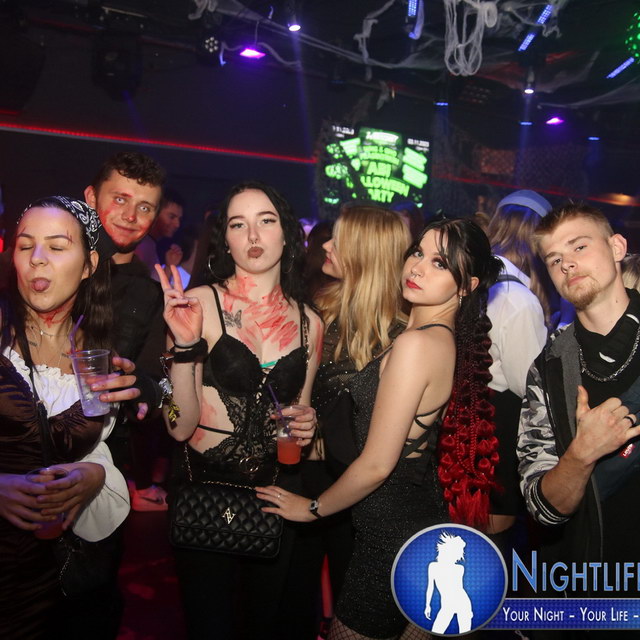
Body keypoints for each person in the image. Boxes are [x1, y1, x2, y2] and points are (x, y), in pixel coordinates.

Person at [258, 218, 501, 640]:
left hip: (393, 539)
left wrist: (311, 508)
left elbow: (376, 465)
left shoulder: (417, 344)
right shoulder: (433, 337)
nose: (418, 267)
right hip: (411, 530)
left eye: (440, 263)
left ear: (467, 286)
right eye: (418, 252)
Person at [156, 181, 323, 640]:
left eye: (266, 221)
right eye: (238, 224)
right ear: (225, 240)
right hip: (205, 489)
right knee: (209, 626)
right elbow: (177, 426)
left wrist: (308, 424)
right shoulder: (197, 304)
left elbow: (300, 421)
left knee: (265, 626)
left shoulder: (310, 323)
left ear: (286, 234)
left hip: (275, 496)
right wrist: (185, 346)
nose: (253, 235)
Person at [0, 197, 142, 639]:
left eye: (57, 246)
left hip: (69, 581)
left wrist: (96, 474)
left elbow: (94, 446)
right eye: (26, 246)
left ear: (88, 265)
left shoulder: (97, 354)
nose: (37, 259)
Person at [292, 205, 410, 636]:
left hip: (365, 493)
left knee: (353, 606)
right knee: (292, 597)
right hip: (305, 474)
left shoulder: (403, 337)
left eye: (337, 240)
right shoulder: (317, 311)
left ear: (363, 253)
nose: (325, 244)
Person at [517, 203, 640, 614]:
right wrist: (582, 453)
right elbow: (542, 509)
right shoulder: (549, 368)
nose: (566, 263)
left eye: (579, 246)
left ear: (617, 247)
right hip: (593, 586)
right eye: (554, 259)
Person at [84, 151, 169, 510]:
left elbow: (154, 381)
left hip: (107, 467)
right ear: (91, 197)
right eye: (120, 199)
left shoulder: (150, 294)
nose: (131, 216)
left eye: (145, 207)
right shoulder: (54, 270)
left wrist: (145, 389)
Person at [483, 191, 549, 541]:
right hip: (498, 429)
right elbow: (530, 385)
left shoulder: (478, 279)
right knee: (494, 538)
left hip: (469, 422)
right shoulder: (519, 300)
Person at [135, 187, 185, 276]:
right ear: (155, 212)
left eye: (179, 219)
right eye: (172, 217)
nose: (177, 224)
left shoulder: (149, 244)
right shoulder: (141, 244)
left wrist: (169, 266)